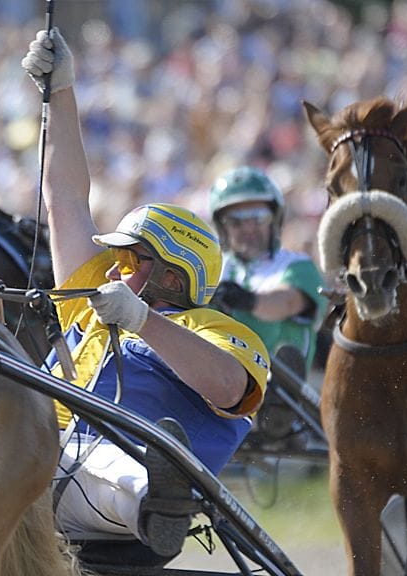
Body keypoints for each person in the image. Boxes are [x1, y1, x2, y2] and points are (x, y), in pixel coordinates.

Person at [21, 28, 271, 560]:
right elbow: (65, 200)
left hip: (94, 480)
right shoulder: (95, 295)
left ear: (173, 280)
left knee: (107, 461)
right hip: (23, 457)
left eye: (133, 259)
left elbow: (229, 386)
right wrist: (60, 92)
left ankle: (159, 499)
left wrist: (142, 321)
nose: (116, 267)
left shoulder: (217, 330)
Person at [208, 167, 327, 375]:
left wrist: (247, 300)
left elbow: (287, 302)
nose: (249, 228)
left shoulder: (298, 265)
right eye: (236, 220)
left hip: (281, 387)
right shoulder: (211, 268)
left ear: (275, 219)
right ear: (222, 226)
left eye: (258, 217)